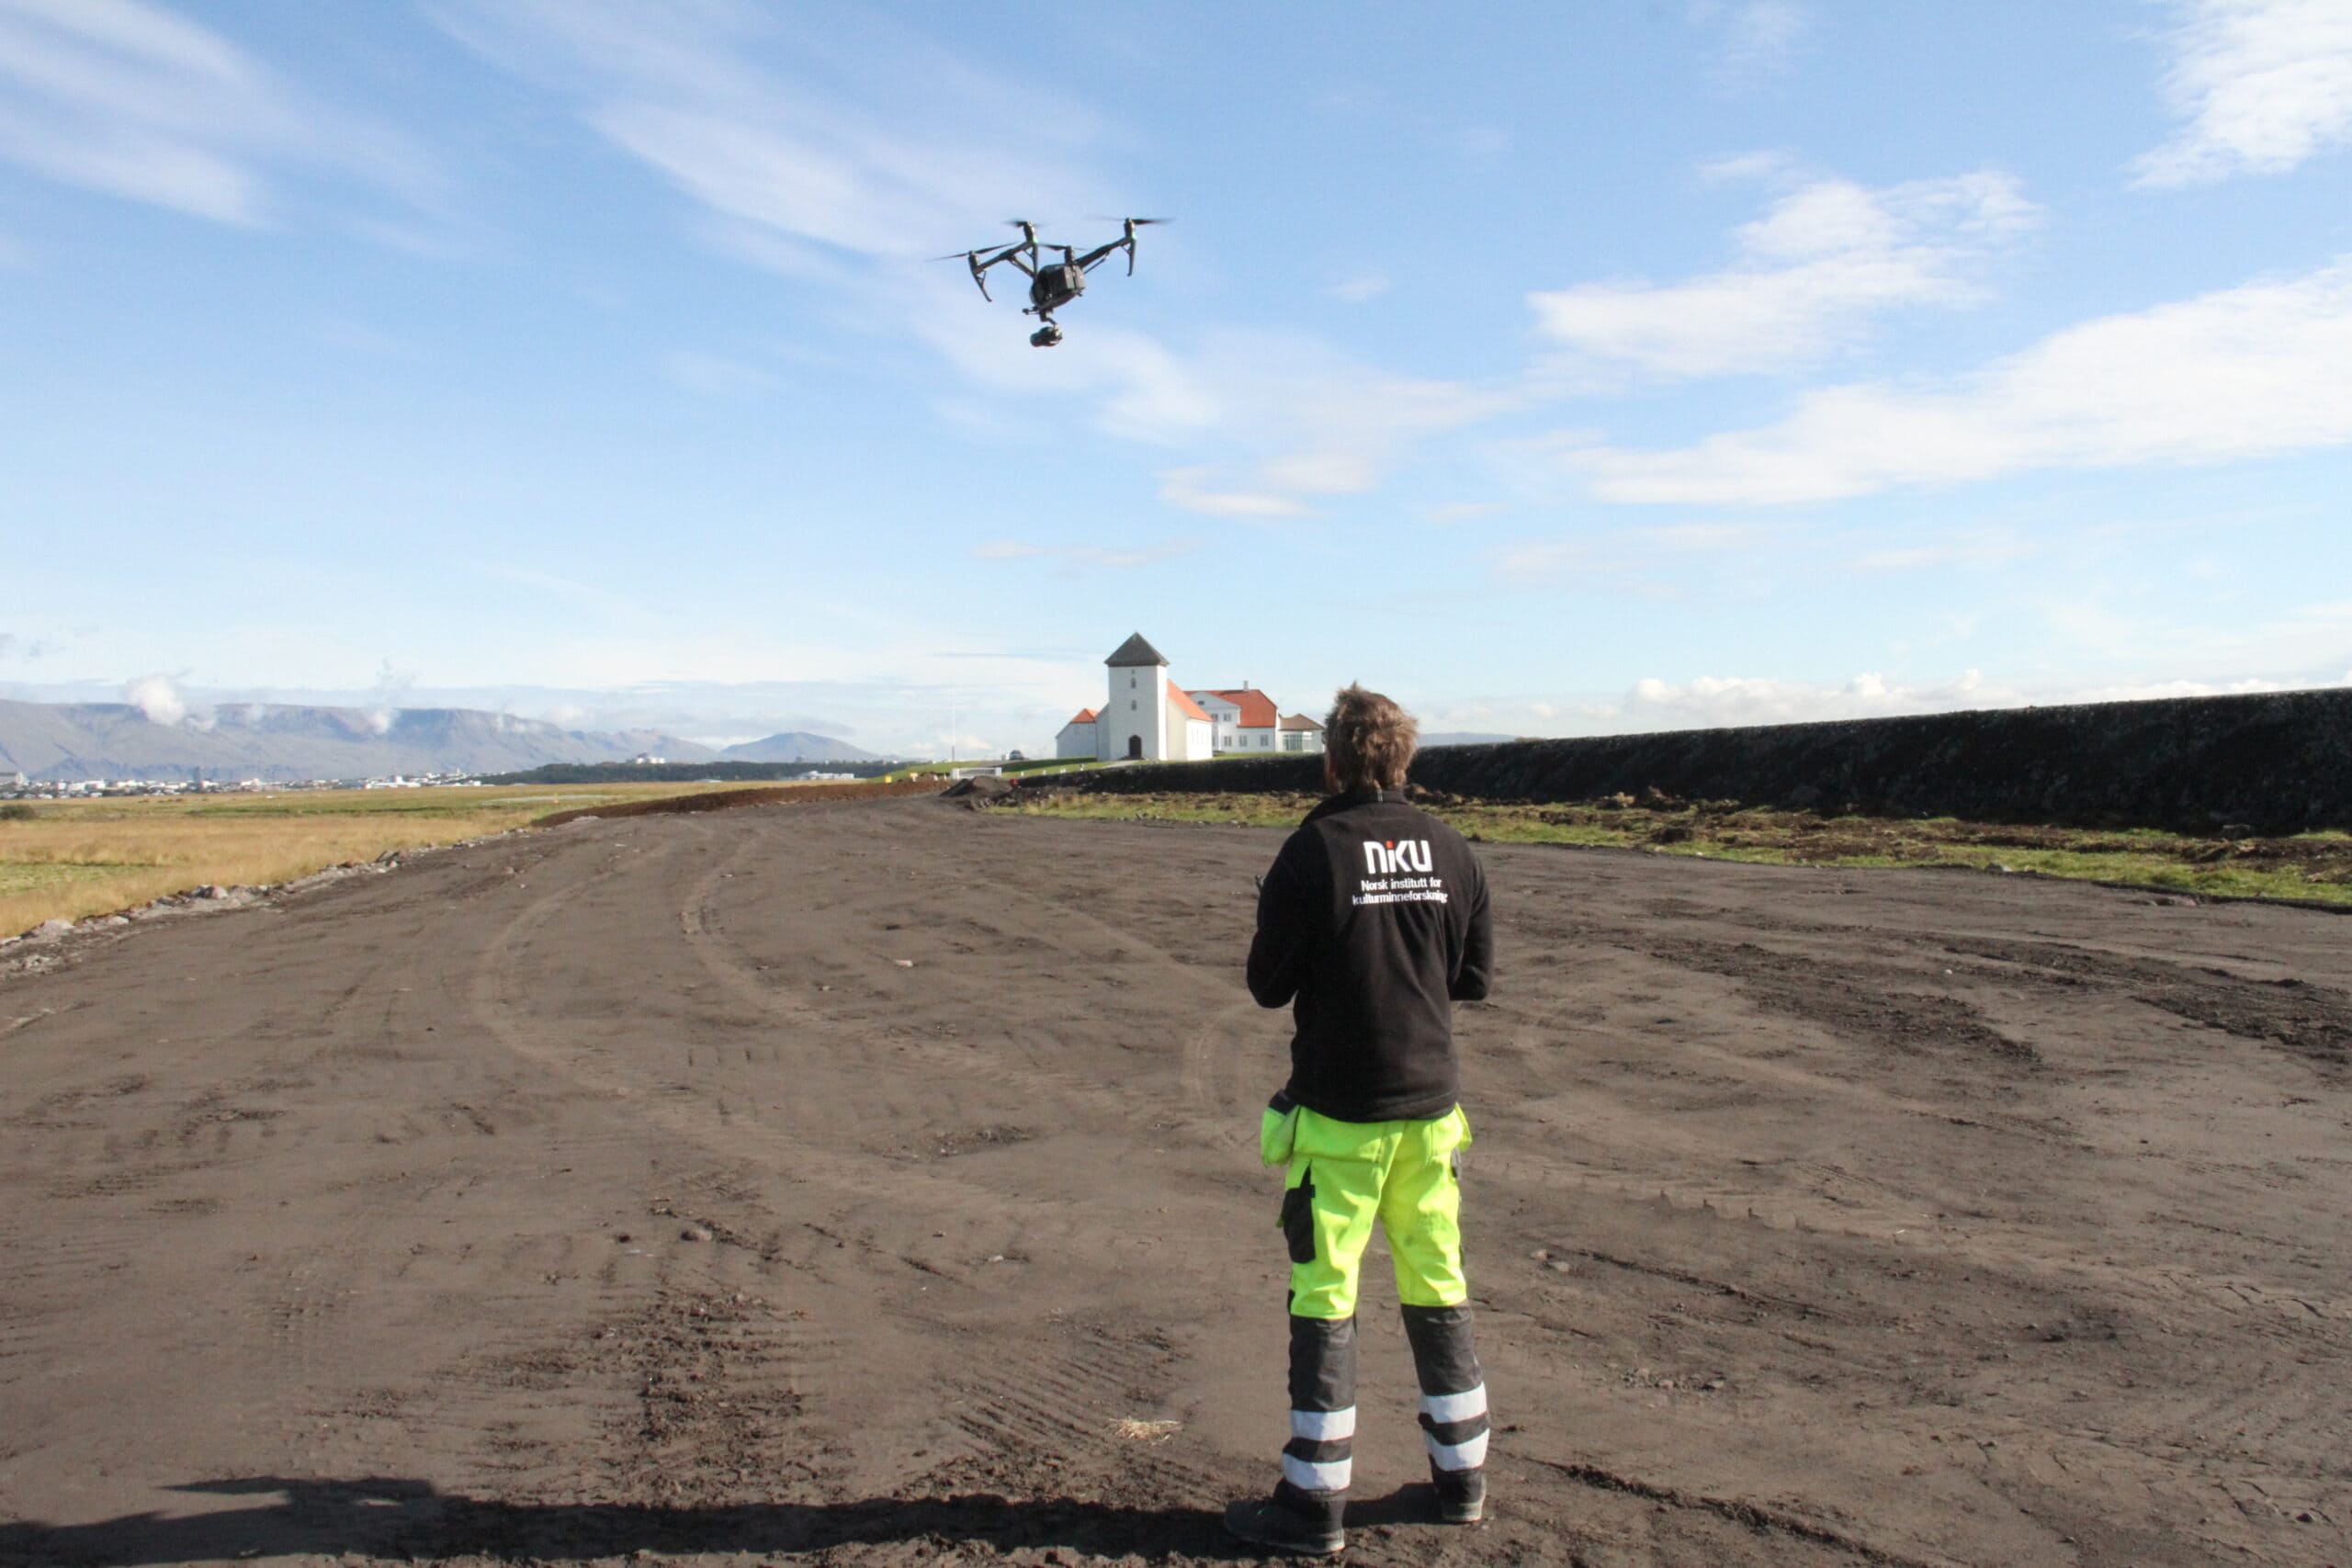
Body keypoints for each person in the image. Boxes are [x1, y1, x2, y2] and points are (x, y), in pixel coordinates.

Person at [1224, 684, 1495, 1556]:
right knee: (1437, 1281)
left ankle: (1314, 1502)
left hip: (1340, 1119)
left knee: (1325, 1296)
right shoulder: (1453, 850)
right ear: (1405, 761)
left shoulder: (1312, 853)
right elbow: (1472, 977)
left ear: (1332, 763)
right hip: (1431, 1113)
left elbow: (1267, 985)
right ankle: (1462, 1481)